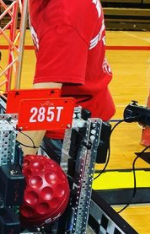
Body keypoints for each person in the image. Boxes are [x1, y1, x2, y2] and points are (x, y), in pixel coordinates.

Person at [19, 0, 116, 160]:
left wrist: (11, 171)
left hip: (71, 125)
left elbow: (43, 103)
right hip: (71, 103)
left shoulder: (64, 19)